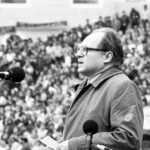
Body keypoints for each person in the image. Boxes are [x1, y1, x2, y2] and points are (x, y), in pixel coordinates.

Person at [56, 28, 144, 150]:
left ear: (107, 56)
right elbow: (80, 136)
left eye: (85, 49)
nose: (78, 54)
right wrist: (60, 145)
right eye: (79, 49)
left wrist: (74, 145)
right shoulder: (86, 84)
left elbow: (128, 138)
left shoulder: (122, 86)